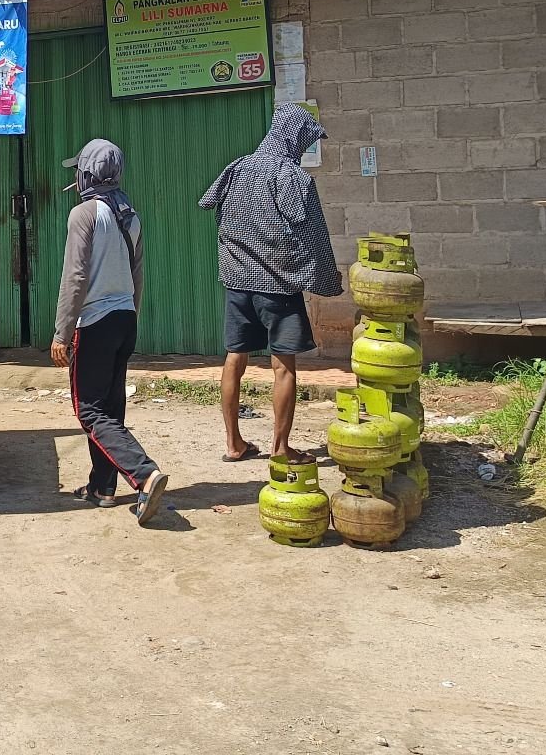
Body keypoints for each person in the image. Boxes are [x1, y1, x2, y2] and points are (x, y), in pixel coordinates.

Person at [199, 103, 343, 464]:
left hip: (237, 283)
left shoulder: (237, 168)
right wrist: (328, 281)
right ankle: (281, 449)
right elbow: (315, 236)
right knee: (283, 366)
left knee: (235, 358)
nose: (305, 148)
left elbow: (208, 203)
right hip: (278, 286)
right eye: (306, 141)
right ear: (294, 137)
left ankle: (234, 443)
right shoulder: (292, 177)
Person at [51, 138, 170, 525]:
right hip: (123, 319)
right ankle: (102, 488)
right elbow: (139, 274)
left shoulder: (84, 214)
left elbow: (75, 276)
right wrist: (132, 315)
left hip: (96, 323)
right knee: (110, 407)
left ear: (86, 173)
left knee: (89, 410)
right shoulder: (129, 215)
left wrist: (61, 333)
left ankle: (144, 473)